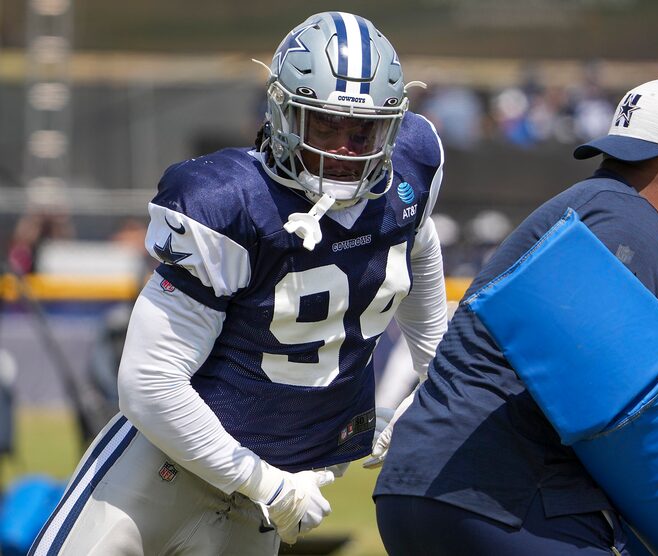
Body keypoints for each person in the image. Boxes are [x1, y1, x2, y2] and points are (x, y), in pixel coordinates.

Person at [30, 11, 447, 556]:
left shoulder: (407, 181)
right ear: (282, 112)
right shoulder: (231, 204)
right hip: (162, 471)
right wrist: (268, 484)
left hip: (263, 501)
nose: (344, 148)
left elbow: (417, 245)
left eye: (362, 129)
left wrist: (434, 379)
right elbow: (150, 385)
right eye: (324, 124)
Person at [373, 76, 658, 555]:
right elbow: (609, 401)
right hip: (502, 496)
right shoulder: (630, 221)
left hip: (418, 489)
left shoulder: (583, 207)